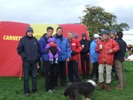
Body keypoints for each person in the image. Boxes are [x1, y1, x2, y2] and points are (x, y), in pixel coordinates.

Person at [17, 27, 40, 96]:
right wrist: (24, 57)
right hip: (26, 62)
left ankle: (34, 90)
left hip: (34, 62)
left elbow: (39, 50)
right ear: (26, 32)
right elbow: (19, 49)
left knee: (34, 77)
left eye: (31, 32)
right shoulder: (23, 40)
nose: (30, 33)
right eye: (29, 32)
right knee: (26, 77)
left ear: (32, 32)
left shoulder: (35, 40)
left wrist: (37, 58)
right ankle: (26, 91)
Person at [39, 26, 58, 93]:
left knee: (54, 73)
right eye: (49, 31)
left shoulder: (53, 39)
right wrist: (48, 50)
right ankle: (48, 88)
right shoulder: (42, 39)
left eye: (52, 32)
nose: (51, 33)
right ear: (47, 31)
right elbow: (40, 50)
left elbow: (55, 47)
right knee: (49, 74)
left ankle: (52, 87)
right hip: (47, 59)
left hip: (53, 59)